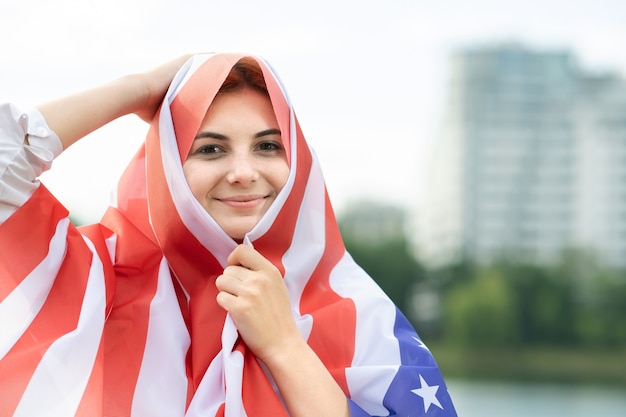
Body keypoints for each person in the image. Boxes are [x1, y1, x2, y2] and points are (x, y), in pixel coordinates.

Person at [0, 53, 458, 417]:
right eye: (211, 148)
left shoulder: (359, 315)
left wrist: (284, 347)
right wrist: (139, 89)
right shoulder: (100, 279)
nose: (243, 172)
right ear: (170, 167)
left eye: (267, 146)